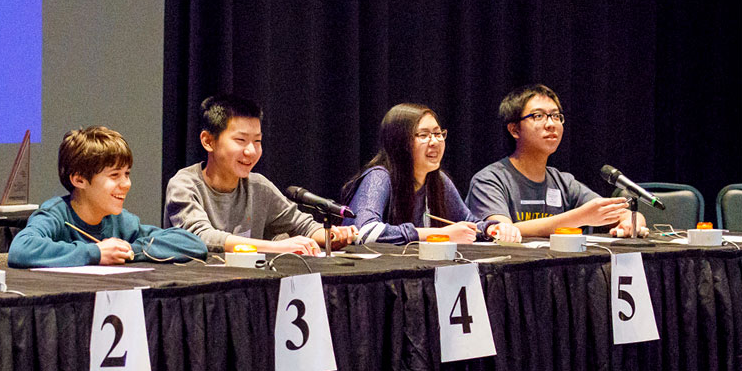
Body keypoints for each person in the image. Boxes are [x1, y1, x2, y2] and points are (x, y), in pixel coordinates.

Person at [164, 94, 356, 254]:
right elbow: (202, 238)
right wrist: (277, 247)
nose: (251, 151)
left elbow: (302, 225)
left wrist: (333, 236)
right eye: (240, 140)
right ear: (208, 141)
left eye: (257, 141)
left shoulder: (258, 186)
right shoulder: (184, 185)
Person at [9, 126, 207, 268]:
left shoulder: (122, 222)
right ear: (79, 180)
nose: (126, 184)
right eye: (115, 175)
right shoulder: (55, 215)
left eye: (127, 174)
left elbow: (192, 243)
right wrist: (95, 253)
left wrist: (128, 251)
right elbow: (21, 249)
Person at [465, 84, 647, 237]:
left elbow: (624, 215)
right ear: (514, 130)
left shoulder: (564, 182)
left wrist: (631, 223)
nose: (551, 124)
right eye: (538, 116)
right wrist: (579, 217)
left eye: (556, 116)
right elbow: (503, 231)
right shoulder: (489, 180)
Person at [340, 103, 521, 245]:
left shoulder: (438, 179)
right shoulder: (379, 176)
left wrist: (493, 229)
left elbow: (467, 222)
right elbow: (364, 232)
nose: (434, 141)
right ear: (400, 142)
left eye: (438, 133)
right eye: (424, 135)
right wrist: (440, 234)